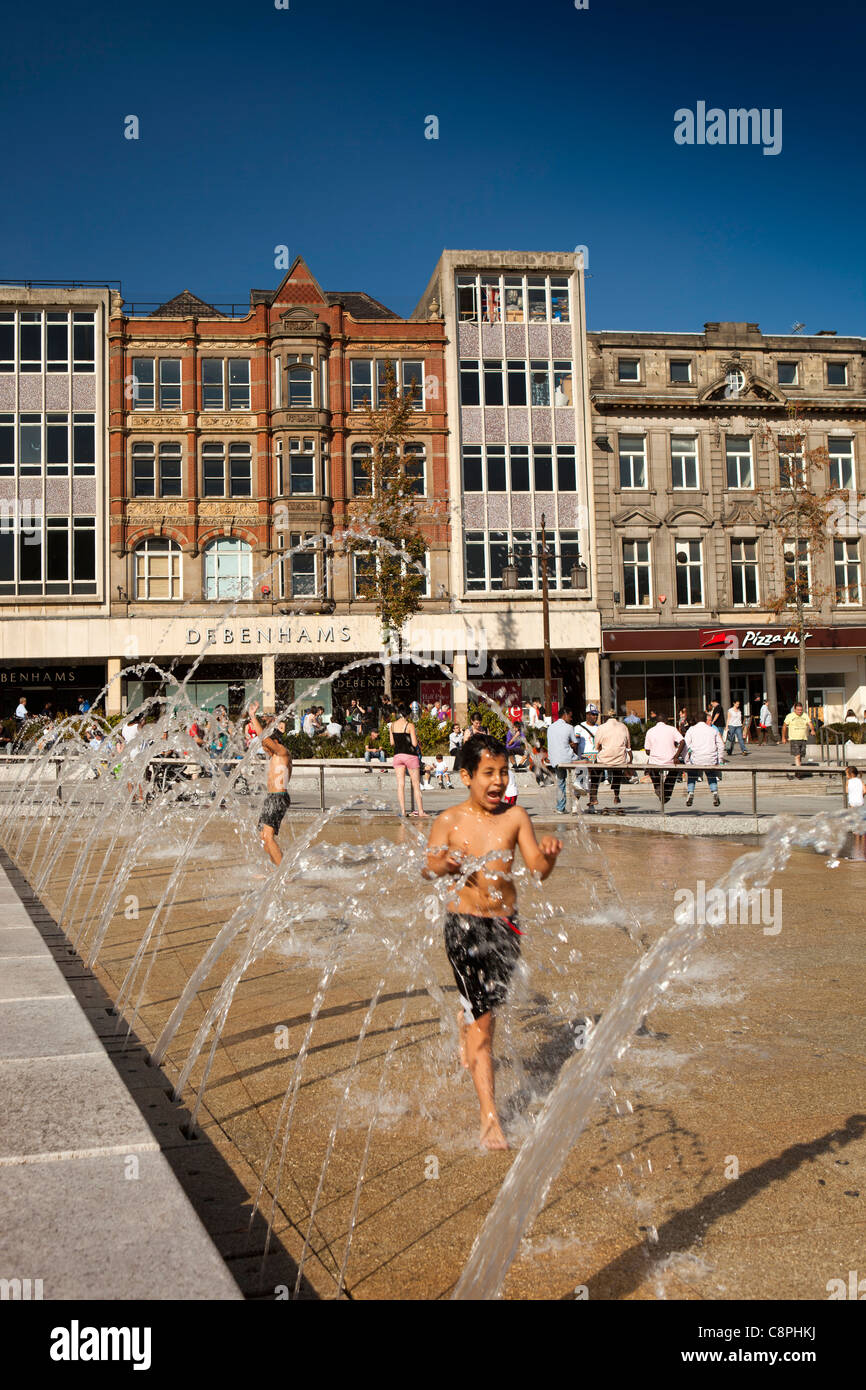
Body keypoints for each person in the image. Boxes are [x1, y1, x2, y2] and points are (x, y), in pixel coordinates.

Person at [423, 733, 563, 1149]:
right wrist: (442, 863)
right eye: (489, 773)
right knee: (485, 1025)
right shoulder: (449, 820)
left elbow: (536, 868)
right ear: (467, 776)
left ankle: (468, 1017)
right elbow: (427, 867)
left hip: (506, 928)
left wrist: (549, 857)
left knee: (488, 1007)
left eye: (504, 771)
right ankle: (489, 1118)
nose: (498, 780)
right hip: (464, 927)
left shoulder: (516, 818)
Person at [249, 702, 292, 866]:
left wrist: (253, 717)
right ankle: (277, 869)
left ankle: (283, 872)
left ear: (274, 741)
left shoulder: (282, 751)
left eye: (266, 746)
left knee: (268, 836)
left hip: (278, 797)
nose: (264, 749)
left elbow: (264, 739)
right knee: (263, 837)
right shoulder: (277, 756)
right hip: (273, 797)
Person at [588, 710, 632, 814]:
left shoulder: (601, 727)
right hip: (619, 759)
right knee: (617, 773)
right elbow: (628, 746)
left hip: (604, 759)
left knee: (595, 775)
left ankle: (594, 797)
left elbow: (596, 745)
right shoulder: (623, 727)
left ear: (606, 718)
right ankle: (616, 796)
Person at [388, 704, 427, 817]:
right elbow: (414, 743)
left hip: (397, 756)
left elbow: (392, 743)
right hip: (410, 756)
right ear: (408, 714)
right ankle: (420, 811)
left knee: (400, 784)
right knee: (416, 785)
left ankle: (403, 811)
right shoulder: (409, 725)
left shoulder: (392, 725)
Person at [683, 711, 725, 807]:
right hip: (711, 759)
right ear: (706, 719)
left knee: (692, 774)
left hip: (696, 759)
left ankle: (690, 792)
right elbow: (721, 746)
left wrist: (687, 761)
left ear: (696, 720)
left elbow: (685, 747)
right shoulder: (713, 730)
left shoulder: (691, 730)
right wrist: (720, 760)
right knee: (711, 774)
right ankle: (714, 792)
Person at [643, 713, 684, 806]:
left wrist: (655, 752)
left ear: (656, 721)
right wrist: (676, 756)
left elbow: (647, 751)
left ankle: (658, 787)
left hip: (655, 761)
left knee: (651, 770)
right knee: (674, 771)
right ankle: (667, 791)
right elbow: (682, 741)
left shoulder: (650, 731)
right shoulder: (672, 729)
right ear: (666, 721)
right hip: (670, 760)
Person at [547, 706, 580, 814]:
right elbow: (575, 744)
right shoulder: (569, 727)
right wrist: (573, 748)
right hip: (567, 758)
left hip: (554, 759)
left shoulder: (550, 727)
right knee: (583, 766)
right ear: (565, 715)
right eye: (570, 716)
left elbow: (556, 743)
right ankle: (578, 802)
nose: (571, 719)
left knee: (561, 782)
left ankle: (560, 808)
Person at [572, 705, 600, 804]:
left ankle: (591, 803)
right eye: (593, 714)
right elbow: (574, 744)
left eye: (596, 714)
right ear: (587, 715)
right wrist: (576, 759)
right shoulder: (578, 728)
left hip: (596, 757)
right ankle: (575, 805)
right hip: (583, 757)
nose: (595, 717)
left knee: (594, 782)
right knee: (581, 782)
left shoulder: (599, 728)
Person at [782, 701, 814, 775]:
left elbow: (810, 723)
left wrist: (812, 730)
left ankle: (797, 770)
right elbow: (784, 726)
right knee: (797, 755)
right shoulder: (790, 716)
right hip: (794, 738)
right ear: (794, 710)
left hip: (803, 738)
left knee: (801, 755)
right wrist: (783, 737)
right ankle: (799, 772)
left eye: (801, 710)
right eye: (798, 710)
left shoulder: (805, 715)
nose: (800, 712)